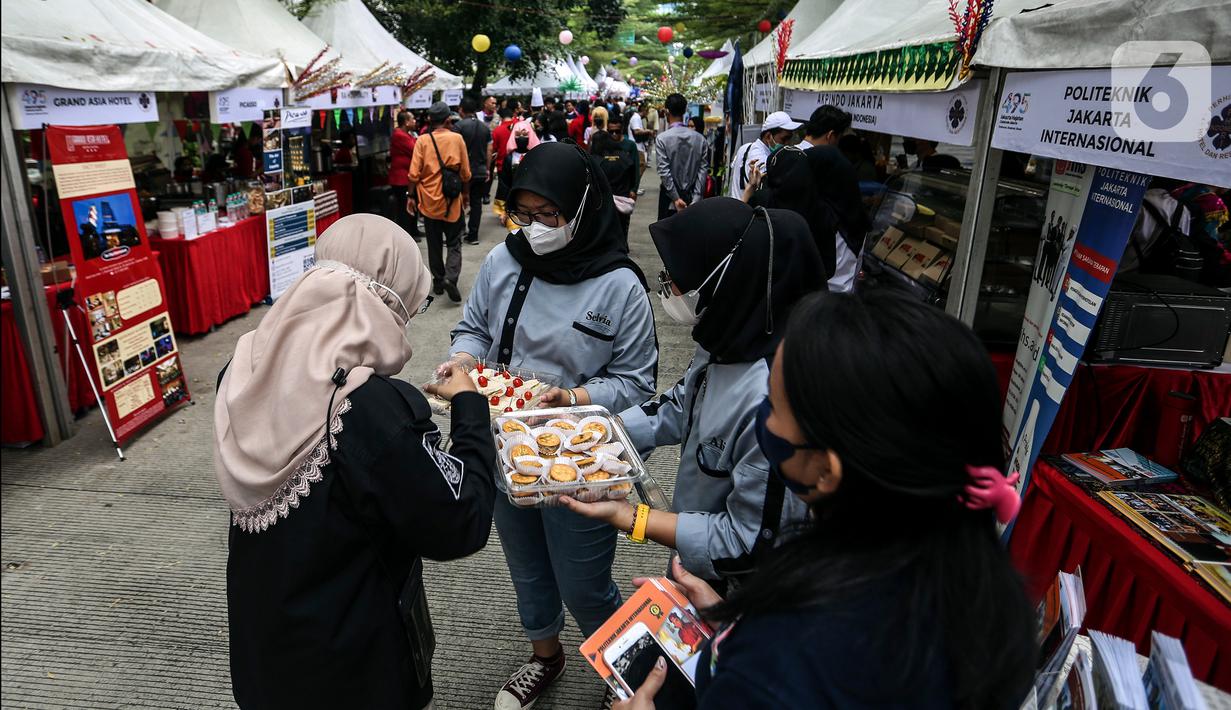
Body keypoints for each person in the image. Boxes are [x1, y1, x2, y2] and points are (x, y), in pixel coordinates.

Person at [611, 289, 1038, 710]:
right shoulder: (984, 594)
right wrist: (733, 622)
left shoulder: (777, 661)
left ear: (825, 470)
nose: (762, 417)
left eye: (773, 405)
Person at [217, 213, 498, 710]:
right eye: (413, 303)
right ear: (384, 303)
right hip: (351, 663)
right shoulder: (370, 407)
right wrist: (471, 408)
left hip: (264, 645)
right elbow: (461, 521)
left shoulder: (242, 367)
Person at [439, 142, 657, 710]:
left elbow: (637, 382)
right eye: (523, 213)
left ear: (583, 207)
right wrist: (463, 362)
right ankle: (545, 656)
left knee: (583, 583)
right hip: (505, 448)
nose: (533, 228)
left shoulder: (620, 285)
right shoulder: (503, 261)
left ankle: (633, 674)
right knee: (528, 568)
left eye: (548, 215)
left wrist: (575, 396)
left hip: (577, 462)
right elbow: (474, 329)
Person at [562, 198, 819, 594]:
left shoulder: (774, 401)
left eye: (676, 275)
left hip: (735, 594)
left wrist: (635, 518)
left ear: (723, 278)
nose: (668, 286)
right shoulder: (725, 337)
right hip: (691, 562)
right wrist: (598, 432)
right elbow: (685, 401)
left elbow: (749, 541)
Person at [408, 101, 471, 302]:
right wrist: (466, 195)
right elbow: (465, 173)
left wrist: (410, 196)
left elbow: (413, 174)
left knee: (434, 244)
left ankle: (438, 281)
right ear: (447, 119)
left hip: (429, 203)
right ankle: (451, 278)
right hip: (452, 200)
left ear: (429, 120)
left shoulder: (422, 141)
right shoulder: (457, 139)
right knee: (454, 242)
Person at [655, 94, 708, 219]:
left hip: (669, 200)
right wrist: (696, 199)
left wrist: (676, 198)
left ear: (667, 111)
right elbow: (702, 171)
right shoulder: (700, 139)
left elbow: (664, 172)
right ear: (684, 111)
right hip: (692, 199)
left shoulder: (662, 139)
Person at [590, 112, 640, 241]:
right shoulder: (623, 158)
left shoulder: (596, 160)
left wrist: (634, 189)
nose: (614, 135)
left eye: (617, 131)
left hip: (609, 199)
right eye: (611, 132)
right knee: (621, 228)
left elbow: (636, 169)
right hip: (619, 198)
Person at [727, 111, 800, 200]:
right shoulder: (761, 159)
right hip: (745, 206)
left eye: (790, 139)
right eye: (784, 139)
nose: (787, 144)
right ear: (768, 136)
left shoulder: (745, 147)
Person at [455, 97, 493, 246]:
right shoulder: (484, 127)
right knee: (476, 203)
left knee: (459, 201)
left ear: (461, 110)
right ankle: (473, 235)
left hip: (462, 172)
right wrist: (488, 169)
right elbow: (489, 150)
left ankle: (459, 231)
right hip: (480, 171)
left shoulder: (458, 127)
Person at [496, 120, 539, 232]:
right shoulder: (509, 158)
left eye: (524, 134)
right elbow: (504, 183)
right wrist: (503, 209)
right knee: (515, 232)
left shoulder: (536, 156)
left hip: (535, 202)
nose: (521, 137)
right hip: (514, 203)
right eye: (518, 134)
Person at [389, 110, 422, 240]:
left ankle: (414, 230)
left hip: (408, 177)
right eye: (412, 119)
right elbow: (416, 149)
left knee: (413, 204)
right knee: (405, 207)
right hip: (401, 178)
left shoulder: (406, 134)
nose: (415, 121)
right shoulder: (399, 135)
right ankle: (407, 234)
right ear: (406, 122)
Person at [491, 107, 519, 222]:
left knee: (504, 190)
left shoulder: (497, 130)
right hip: (517, 163)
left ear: (501, 117)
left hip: (502, 164)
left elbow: (494, 148)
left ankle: (504, 213)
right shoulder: (518, 127)